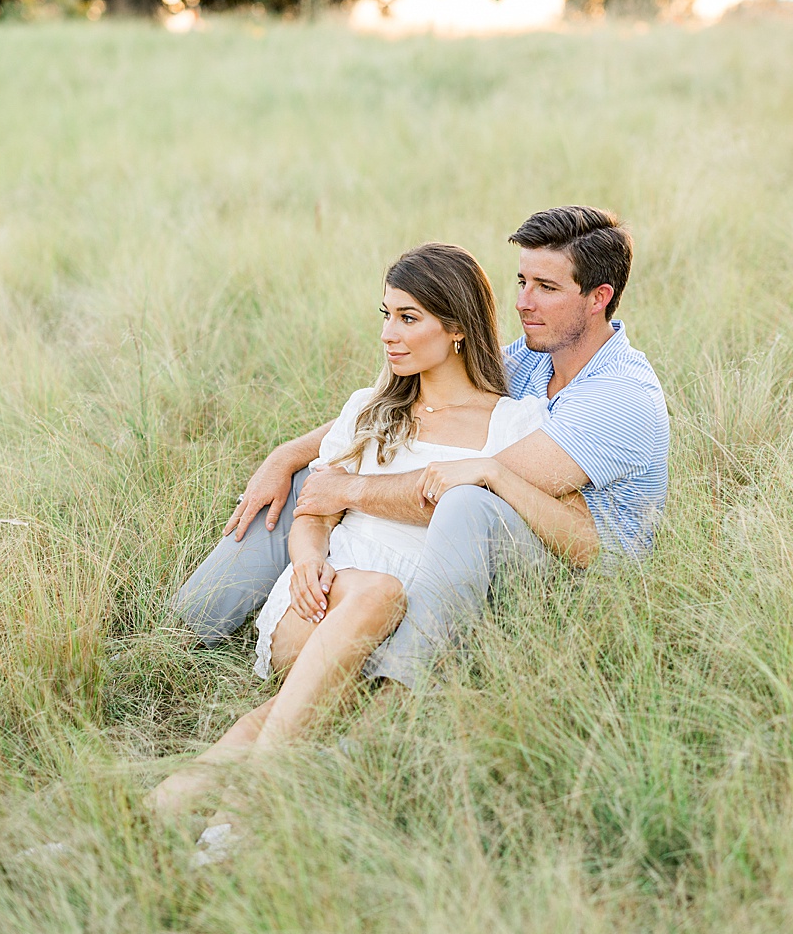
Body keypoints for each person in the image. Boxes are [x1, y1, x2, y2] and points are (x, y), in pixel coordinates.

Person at [148, 244, 595, 845]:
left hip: (416, 629)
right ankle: (245, 811)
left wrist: (494, 474)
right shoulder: (370, 409)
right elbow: (314, 508)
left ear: (458, 327)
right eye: (385, 314)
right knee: (375, 592)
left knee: (282, 718)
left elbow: (582, 539)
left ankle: (151, 818)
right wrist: (307, 561)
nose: (389, 334)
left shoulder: (513, 422)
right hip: (324, 600)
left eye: (408, 318)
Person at [171, 205, 669, 692]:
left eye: (547, 287)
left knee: (457, 502)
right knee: (309, 482)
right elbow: (420, 403)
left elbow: (460, 484)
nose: (523, 303)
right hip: (497, 530)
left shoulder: (621, 396)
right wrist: (290, 455)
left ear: (598, 297)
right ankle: (184, 630)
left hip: (577, 572)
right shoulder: (533, 358)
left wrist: (348, 488)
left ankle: (401, 687)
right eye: (522, 282)